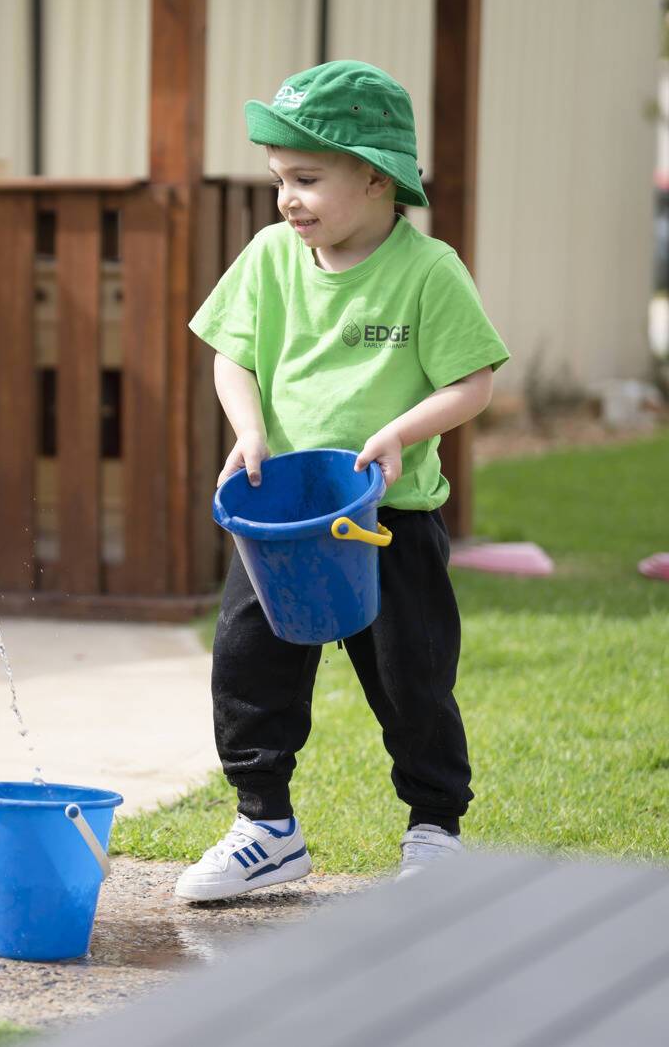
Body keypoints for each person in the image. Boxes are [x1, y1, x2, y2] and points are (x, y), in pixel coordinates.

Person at [177, 61, 510, 902]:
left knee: (411, 680)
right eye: (279, 179)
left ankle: (435, 831)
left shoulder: (429, 270)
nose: (287, 199)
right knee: (249, 670)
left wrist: (401, 432)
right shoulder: (269, 257)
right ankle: (266, 826)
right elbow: (232, 356)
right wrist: (249, 429)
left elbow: (473, 382)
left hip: (385, 519)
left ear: (374, 176)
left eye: (307, 179)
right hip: (282, 519)